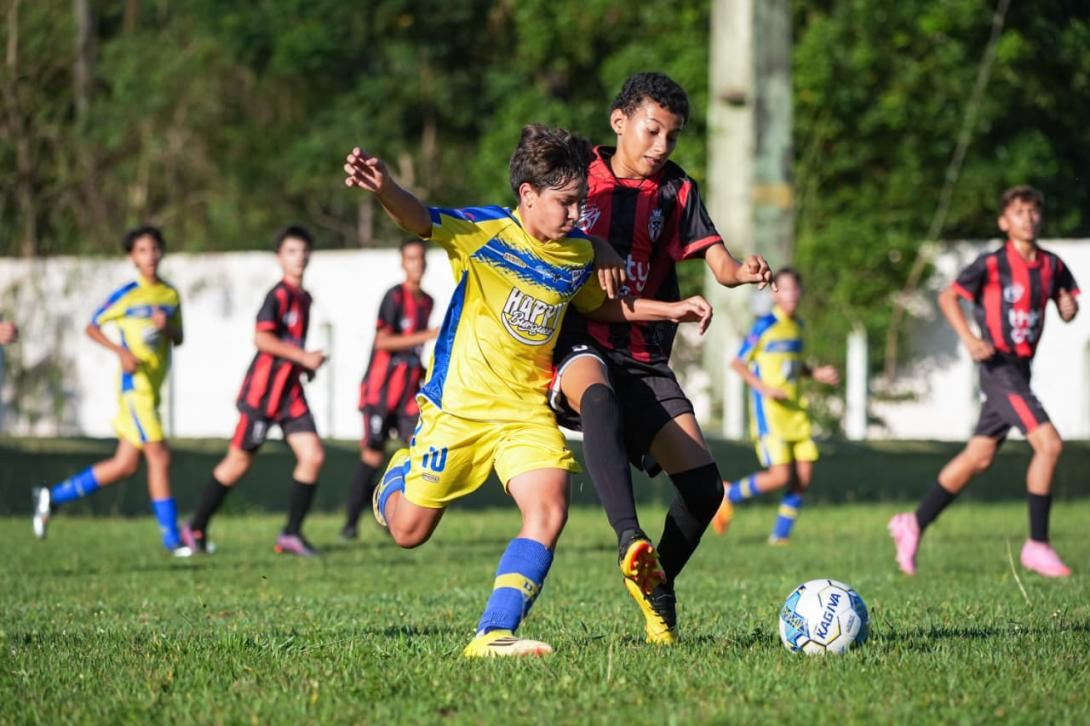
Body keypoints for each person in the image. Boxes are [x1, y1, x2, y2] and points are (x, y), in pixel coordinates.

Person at [344, 123, 713, 657]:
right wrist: (384, 188)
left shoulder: (578, 253)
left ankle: (493, 633)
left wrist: (671, 309)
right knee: (408, 531)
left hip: (524, 410)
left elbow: (605, 307)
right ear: (528, 194)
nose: (576, 214)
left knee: (549, 509)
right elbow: (419, 217)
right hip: (460, 409)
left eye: (581, 202)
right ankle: (395, 479)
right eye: (566, 203)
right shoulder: (485, 231)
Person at [548, 72, 773, 645]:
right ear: (619, 121)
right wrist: (594, 245)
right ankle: (631, 539)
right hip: (579, 341)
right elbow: (537, 231)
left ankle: (656, 583)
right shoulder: (578, 176)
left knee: (705, 488)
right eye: (652, 131)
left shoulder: (677, 190)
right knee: (598, 395)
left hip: (644, 356)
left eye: (672, 136)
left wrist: (742, 271)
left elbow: (719, 264)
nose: (661, 145)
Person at [889, 185, 1079, 578]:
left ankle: (913, 523)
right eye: (1019, 212)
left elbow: (1067, 308)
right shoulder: (992, 264)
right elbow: (948, 297)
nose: (1028, 218)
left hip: (1021, 371)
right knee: (1050, 444)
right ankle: (1037, 544)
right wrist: (971, 339)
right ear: (1004, 222)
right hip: (998, 368)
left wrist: (1068, 307)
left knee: (979, 457)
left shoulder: (1052, 265)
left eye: (1033, 212)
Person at [32, 226, 189, 555]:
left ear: (162, 252)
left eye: (154, 249)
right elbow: (92, 326)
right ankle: (173, 539)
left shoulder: (170, 295)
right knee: (159, 457)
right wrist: (121, 352)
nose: (150, 256)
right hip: (135, 389)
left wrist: (167, 328)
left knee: (125, 465)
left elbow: (179, 338)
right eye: (142, 250)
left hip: (153, 389)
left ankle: (52, 497)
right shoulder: (127, 295)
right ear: (132, 257)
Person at [182, 225, 327, 557]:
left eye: (304, 251)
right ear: (279, 258)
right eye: (291, 251)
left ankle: (291, 534)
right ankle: (196, 526)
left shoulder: (304, 298)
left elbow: (288, 345)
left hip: (290, 394)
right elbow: (261, 338)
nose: (299, 257)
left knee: (313, 456)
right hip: (264, 394)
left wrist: (304, 366)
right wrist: (303, 357)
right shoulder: (278, 296)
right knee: (237, 463)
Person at [710, 267, 839, 543]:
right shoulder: (764, 325)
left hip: (796, 411)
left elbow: (794, 366)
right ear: (774, 294)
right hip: (770, 414)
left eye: (795, 288)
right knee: (780, 476)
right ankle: (728, 494)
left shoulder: (799, 326)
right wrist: (765, 388)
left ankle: (780, 537)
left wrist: (816, 373)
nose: (791, 294)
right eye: (785, 289)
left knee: (803, 477)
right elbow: (738, 363)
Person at [342, 238, 436, 540]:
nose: (417, 264)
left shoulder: (427, 301)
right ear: (402, 263)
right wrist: (426, 335)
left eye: (421, 258)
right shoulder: (394, 297)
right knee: (372, 457)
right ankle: (350, 526)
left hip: (408, 394)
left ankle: (400, 516)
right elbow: (383, 341)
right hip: (381, 393)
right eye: (411, 258)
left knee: (418, 450)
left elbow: (413, 352)